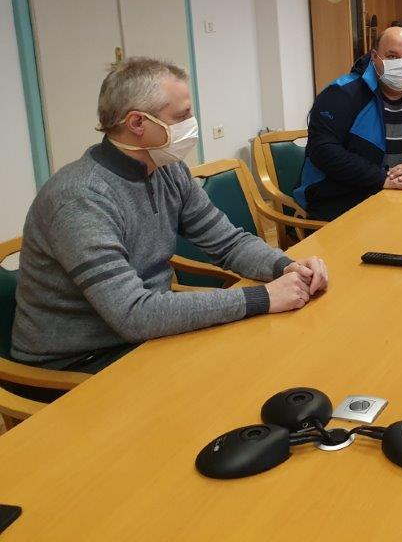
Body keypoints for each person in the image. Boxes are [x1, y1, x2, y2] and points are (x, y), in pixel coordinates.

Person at [11, 58, 328, 386]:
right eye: (181, 117)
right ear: (137, 122)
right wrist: (263, 298)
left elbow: (227, 242)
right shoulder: (79, 198)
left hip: (144, 337)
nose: (192, 124)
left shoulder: (167, 170)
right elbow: (134, 315)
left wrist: (285, 267)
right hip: (77, 365)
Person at [295, 26, 402, 220]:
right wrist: (382, 179)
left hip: (401, 197)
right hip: (341, 202)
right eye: (392, 56)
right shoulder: (341, 94)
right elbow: (323, 151)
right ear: (374, 57)